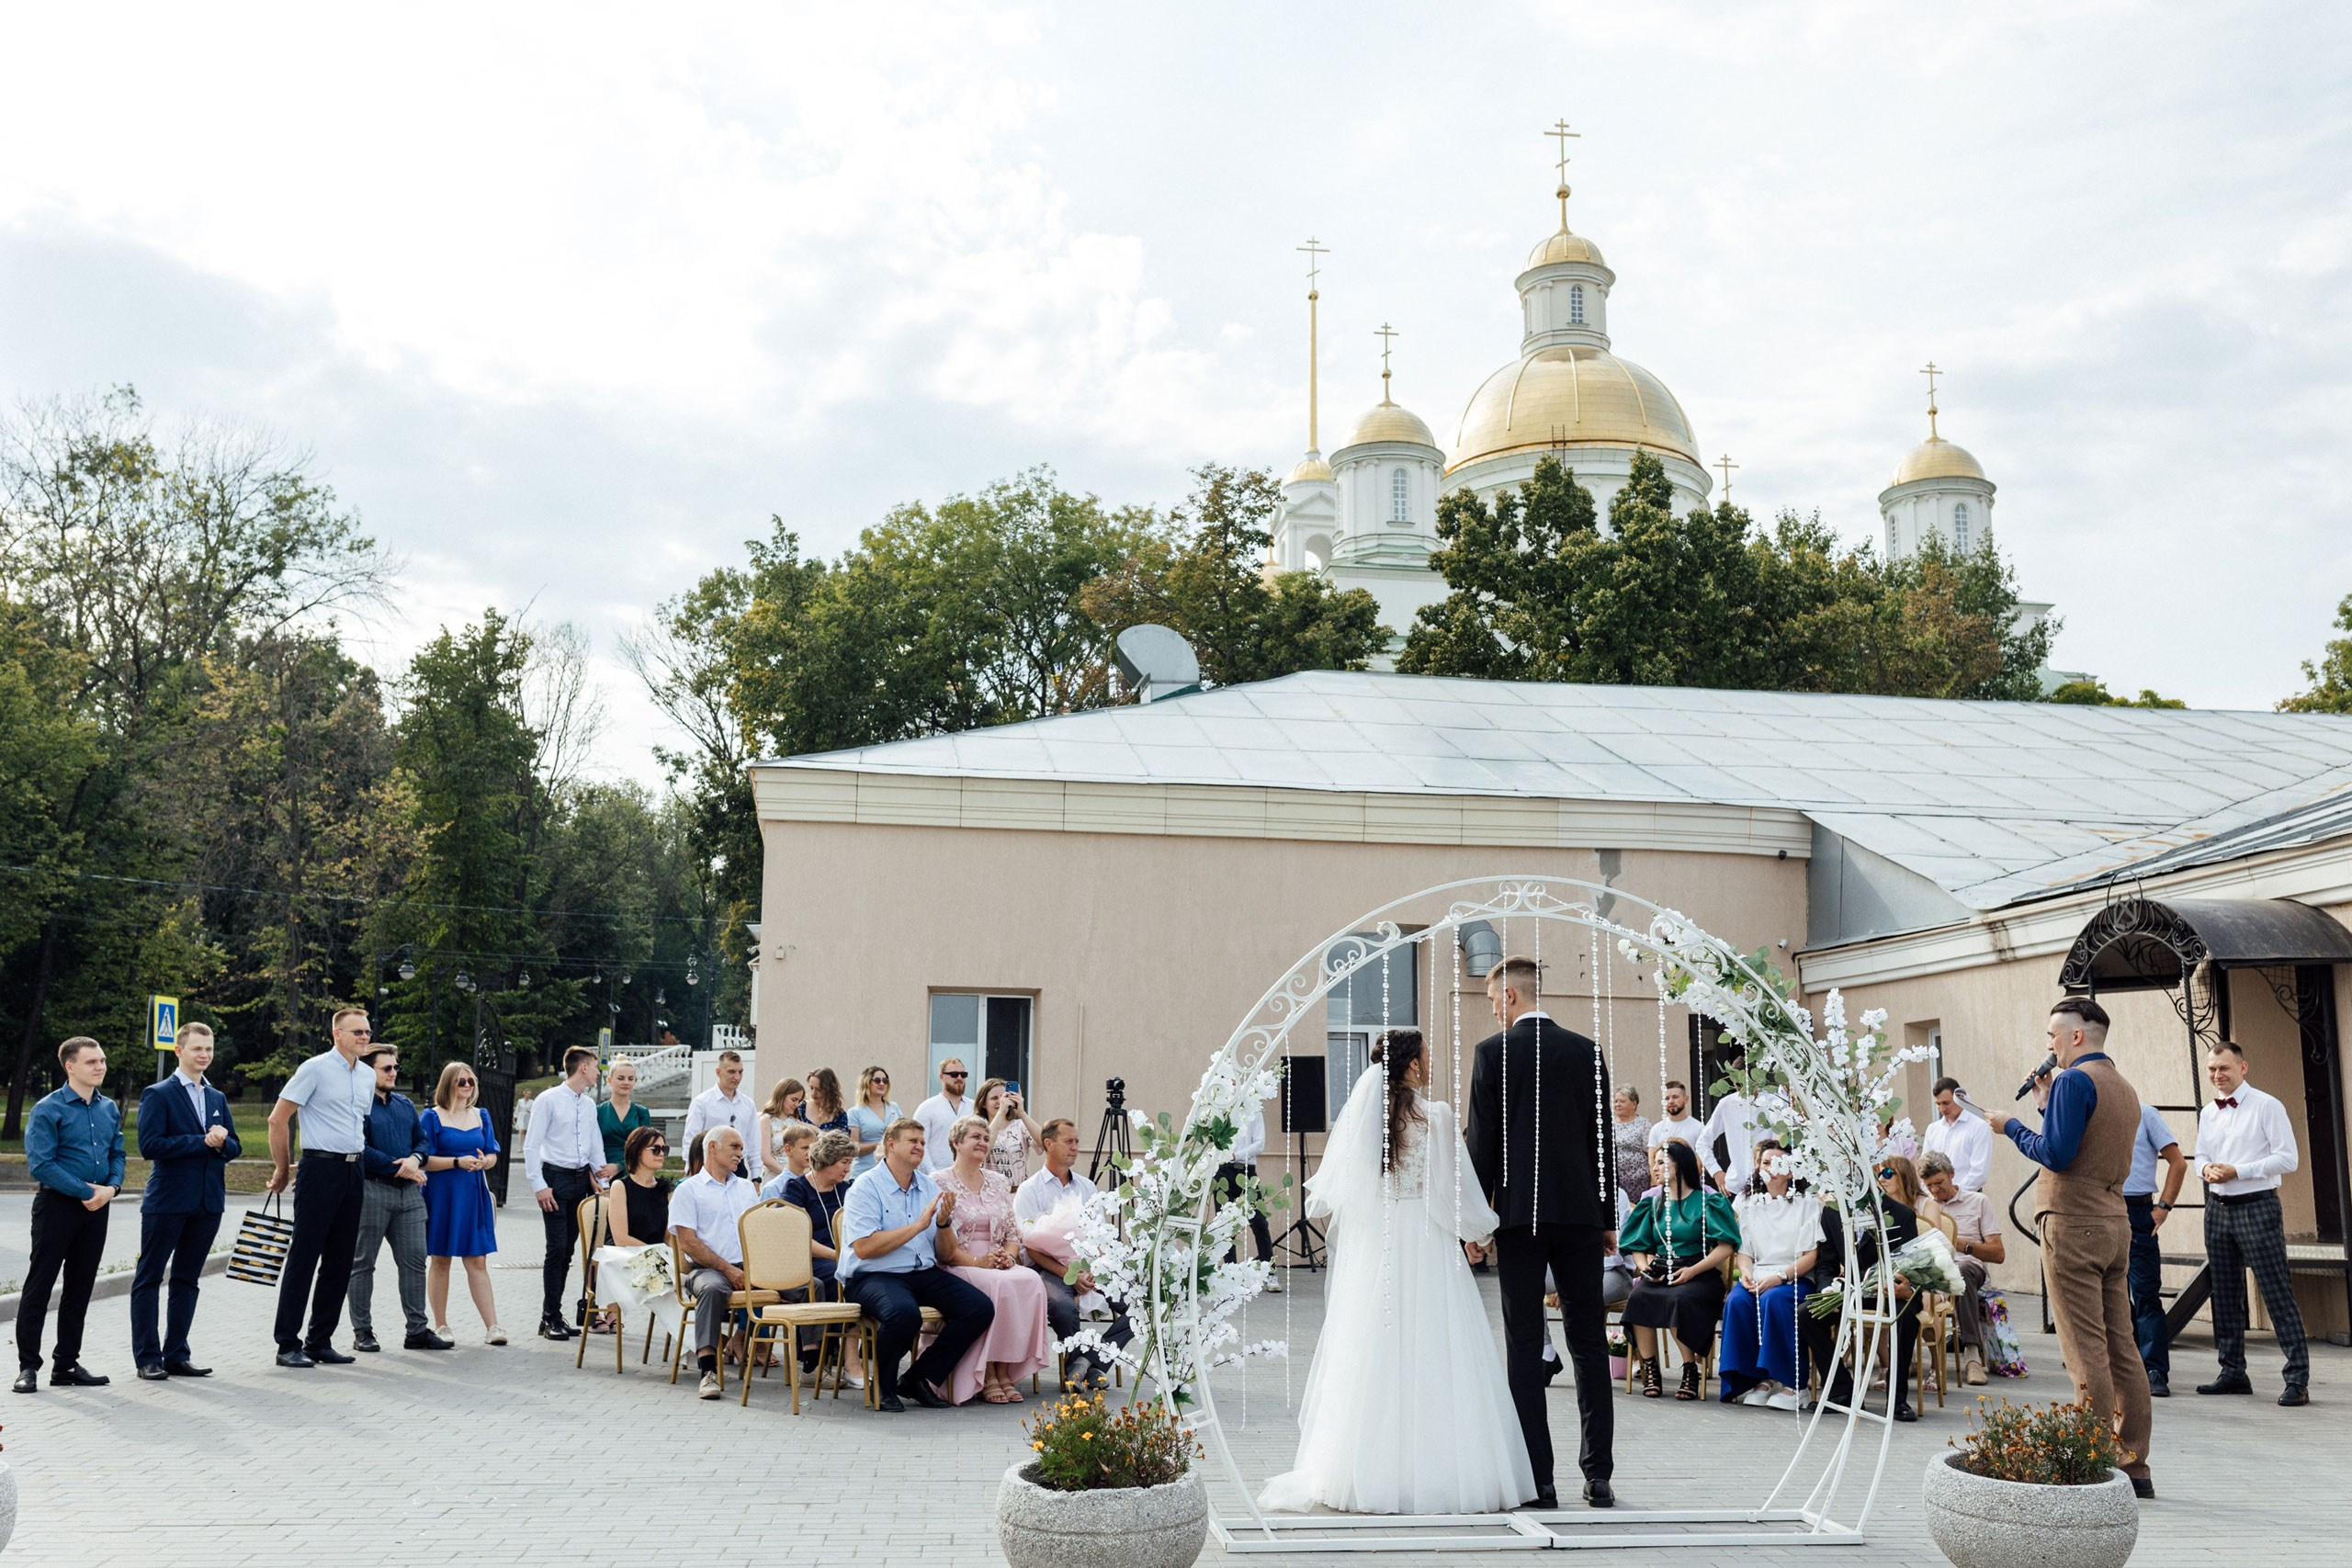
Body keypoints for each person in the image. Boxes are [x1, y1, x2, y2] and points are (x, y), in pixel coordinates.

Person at [1262, 1029, 1535, 1515]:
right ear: (1412, 1065)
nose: (1430, 1061)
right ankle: (1443, 1472)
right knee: (1436, 1345)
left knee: (1374, 1347)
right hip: (1427, 1242)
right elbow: (1454, 1191)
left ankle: (1365, 1469)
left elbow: (1345, 1188)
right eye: (1426, 1054)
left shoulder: (1372, 1120)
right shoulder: (1438, 1117)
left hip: (1380, 1242)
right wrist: (1480, 1232)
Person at [1465, 954, 1616, 1511]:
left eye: (1491, 1003)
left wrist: (1474, 1225)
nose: (1494, 1014)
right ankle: (1598, 1475)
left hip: (1518, 1220)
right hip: (1580, 1217)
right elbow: (1599, 1142)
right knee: (1588, 1342)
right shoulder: (1586, 1051)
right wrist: (1606, 1219)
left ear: (1508, 996)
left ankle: (1540, 1479)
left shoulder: (1491, 1055)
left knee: (1524, 1345)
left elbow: (1482, 1148)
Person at [1991, 997, 2155, 1496]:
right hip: (2113, 1222)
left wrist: (2012, 1126)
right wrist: (2046, 1105)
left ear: (2076, 1036)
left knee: (2084, 1350)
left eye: (2052, 1037)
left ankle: (2087, 1461)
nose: (2049, 1046)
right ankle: (2134, 1463)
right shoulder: (2123, 1087)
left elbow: (2058, 1155)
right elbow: (2086, 1143)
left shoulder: (2072, 1080)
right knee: (2121, 1343)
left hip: (2072, 1223)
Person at [838, 1120, 994, 1413]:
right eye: (913, 1141)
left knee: (979, 1307)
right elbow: (865, 1247)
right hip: (873, 1275)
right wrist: (918, 1225)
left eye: (922, 1142)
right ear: (891, 1145)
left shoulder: (928, 1185)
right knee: (903, 1314)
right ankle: (884, 1386)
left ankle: (917, 1378)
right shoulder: (865, 1186)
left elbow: (943, 1252)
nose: (920, 1147)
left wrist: (944, 1223)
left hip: (921, 1271)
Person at [2193, 1040, 2307, 1405]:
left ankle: (2297, 1379)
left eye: (2223, 1068)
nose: (2217, 1076)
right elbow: (2201, 1154)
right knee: (2225, 1292)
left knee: (2275, 1290)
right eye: (2212, 1069)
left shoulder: (2267, 1106)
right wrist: (2206, 1168)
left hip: (2257, 1207)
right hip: (2218, 1208)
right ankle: (2232, 1372)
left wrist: (2238, 1170)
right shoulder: (2209, 1112)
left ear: (2243, 1068)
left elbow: (2288, 1159)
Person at [266, 1008, 377, 1368]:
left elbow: (358, 1124)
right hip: (320, 1168)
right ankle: (287, 1344)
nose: (364, 1036)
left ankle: (320, 1340)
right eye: (357, 1031)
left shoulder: (368, 1076)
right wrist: (283, 1168)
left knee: (341, 1259)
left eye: (367, 1031)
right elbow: (277, 1118)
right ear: (337, 1034)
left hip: (353, 1170)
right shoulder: (314, 1068)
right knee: (305, 1255)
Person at [130, 1021, 239, 1381]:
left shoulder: (217, 1097)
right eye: (197, 1049)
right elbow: (150, 1146)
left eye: (208, 1049)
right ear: (179, 1051)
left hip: (208, 1202)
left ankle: (176, 1353)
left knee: (187, 1280)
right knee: (148, 1278)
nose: (204, 1055)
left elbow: (234, 1146)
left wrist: (223, 1143)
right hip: (168, 1201)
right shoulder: (158, 1093)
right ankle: (148, 1358)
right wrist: (201, 1141)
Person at [17, 1037, 125, 1393]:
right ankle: (28, 1367)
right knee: (40, 1285)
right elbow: (42, 1164)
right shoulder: (48, 1109)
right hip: (58, 1208)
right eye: (92, 1061)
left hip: (97, 1207)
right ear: (70, 1066)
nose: (100, 1067)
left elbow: (118, 1152)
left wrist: (111, 1189)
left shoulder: (108, 1108)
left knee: (79, 1289)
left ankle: (66, 1365)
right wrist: (86, 1192)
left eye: (102, 1060)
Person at [933, 1115, 1055, 1404]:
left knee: (1030, 1281)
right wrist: (979, 1262)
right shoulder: (939, 1180)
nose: (982, 1142)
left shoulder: (999, 1182)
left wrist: (1009, 1258)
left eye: (986, 1138)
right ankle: (986, 1371)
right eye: (975, 1137)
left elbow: (1013, 1231)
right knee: (996, 1287)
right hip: (958, 1261)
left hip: (998, 1260)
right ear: (956, 1143)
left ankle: (1005, 1370)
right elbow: (938, 1240)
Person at [1014, 1116, 1133, 1385]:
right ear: (1048, 1144)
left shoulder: (1087, 1187)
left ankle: (1087, 1362)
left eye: (1077, 1142)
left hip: (1090, 1265)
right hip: (1049, 1267)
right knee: (1063, 1308)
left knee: (1139, 1306)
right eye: (1069, 1141)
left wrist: (1092, 1268)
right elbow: (1031, 1246)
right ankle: (1085, 1368)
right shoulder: (1030, 1190)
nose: (1075, 1147)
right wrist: (1067, 1272)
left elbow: (1099, 1234)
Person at [1620, 1139, 1740, 1402]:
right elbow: (1637, 1246)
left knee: (1680, 1299)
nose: (1655, 1167)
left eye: (1662, 1162)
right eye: (1655, 1162)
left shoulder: (1708, 1201)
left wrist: (1693, 1271)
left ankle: (1690, 1370)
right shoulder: (1653, 1203)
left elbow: (1726, 1247)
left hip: (1699, 1271)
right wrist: (1644, 1268)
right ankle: (1650, 1369)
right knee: (1640, 1297)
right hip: (1661, 1269)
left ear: (1680, 1165)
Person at [1803, 1161, 1923, 1423]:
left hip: (1892, 1290)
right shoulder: (1833, 1213)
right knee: (1806, 1313)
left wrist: (1904, 1285)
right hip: (1851, 1290)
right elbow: (1826, 1263)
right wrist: (1826, 1289)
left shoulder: (1901, 1215)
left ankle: (1897, 1398)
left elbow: (1911, 1264)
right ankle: (1842, 1390)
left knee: (1906, 1318)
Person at [348, 1048, 445, 1354]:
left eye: (395, 1067)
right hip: (372, 1191)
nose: (393, 1073)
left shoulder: (404, 1104)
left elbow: (422, 1140)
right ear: (368, 1071)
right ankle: (362, 1331)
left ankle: (416, 1331)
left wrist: (415, 1159)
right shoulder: (359, 1105)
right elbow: (358, 1148)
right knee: (363, 1264)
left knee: (416, 1261)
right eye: (386, 1068)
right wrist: (399, 1165)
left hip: (409, 1194)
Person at [1719, 1139, 1821, 1409]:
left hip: (1794, 1276)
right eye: (1766, 1163)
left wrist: (1780, 1278)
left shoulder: (1806, 1204)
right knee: (1738, 1301)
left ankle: (1793, 1383)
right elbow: (1745, 1252)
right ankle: (1757, 1379)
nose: (1771, 1169)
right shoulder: (1751, 1203)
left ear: (1790, 1170)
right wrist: (1747, 1274)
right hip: (1759, 1273)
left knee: (1773, 1300)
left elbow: (1811, 1255)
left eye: (1778, 1164)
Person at [668, 1127, 764, 1399]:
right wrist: (728, 1269)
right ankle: (708, 1370)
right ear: (712, 1148)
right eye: (734, 1147)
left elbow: (758, 1231)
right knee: (712, 1290)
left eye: (741, 1148)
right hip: (707, 1269)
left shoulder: (746, 1188)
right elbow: (688, 1243)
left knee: (809, 1285)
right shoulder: (688, 1190)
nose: (740, 1154)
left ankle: (815, 1367)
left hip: (749, 1266)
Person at [420, 1062, 504, 1343]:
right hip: (442, 1194)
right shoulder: (432, 1117)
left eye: (470, 1081)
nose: (467, 1086)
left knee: (477, 1260)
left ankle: (493, 1326)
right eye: (461, 1081)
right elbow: (424, 1160)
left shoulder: (481, 1115)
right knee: (441, 1259)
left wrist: (484, 1162)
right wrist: (456, 1161)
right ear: (448, 1084)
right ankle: (441, 1324)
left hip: (472, 1193)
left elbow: (493, 1153)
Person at [525, 1046, 605, 1340]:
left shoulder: (589, 1106)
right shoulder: (548, 1100)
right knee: (556, 1249)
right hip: (554, 1179)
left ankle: (555, 1316)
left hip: (581, 1181)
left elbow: (594, 1144)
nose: (598, 1073)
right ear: (582, 1068)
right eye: (596, 1067)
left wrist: (600, 1180)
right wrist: (538, 1185)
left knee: (569, 1250)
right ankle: (549, 1317)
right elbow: (532, 1145)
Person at [775, 1129, 865, 1386]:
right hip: (809, 1259)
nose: (848, 1169)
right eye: (844, 1162)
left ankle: (847, 1354)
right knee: (839, 1277)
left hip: (844, 1257)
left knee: (866, 1278)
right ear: (826, 1160)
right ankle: (826, 1360)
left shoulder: (848, 1190)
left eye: (850, 1163)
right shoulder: (796, 1188)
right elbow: (794, 1236)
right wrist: (837, 1255)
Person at [1918, 1150, 2005, 1384]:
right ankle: (1907, 1357)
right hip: (1932, 1270)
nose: (1935, 1190)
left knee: (1962, 1270)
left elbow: (1998, 1253)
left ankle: (1972, 1355)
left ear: (1952, 1174)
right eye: (1929, 1186)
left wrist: (1960, 1244)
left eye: (1939, 1183)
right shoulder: (1923, 1207)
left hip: (1968, 1266)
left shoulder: (1978, 1202)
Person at [2124, 1100, 2188, 1396]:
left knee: (2146, 1293)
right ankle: (2120, 1360)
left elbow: (2178, 1162)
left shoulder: (2144, 1113)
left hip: (2138, 1209)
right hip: (2099, 1207)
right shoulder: (2088, 1111)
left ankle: (2154, 1370)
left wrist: (2164, 1207)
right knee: (2103, 1292)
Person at [1216, 1097, 1279, 1289]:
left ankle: (1270, 1273)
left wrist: (1237, 1155)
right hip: (1223, 1171)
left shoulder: (1254, 1110)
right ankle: (1231, 1275)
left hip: (1246, 1171)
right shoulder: (1219, 1110)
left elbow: (1259, 1144)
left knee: (1259, 1221)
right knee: (1226, 1224)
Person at [683, 1050, 759, 1177]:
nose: (737, 1077)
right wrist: (691, 1171)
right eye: (731, 1072)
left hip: (738, 1167)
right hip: (709, 1167)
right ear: (718, 1072)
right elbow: (690, 1140)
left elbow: (753, 1143)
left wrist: (756, 1177)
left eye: (740, 1072)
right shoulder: (702, 1102)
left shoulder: (748, 1105)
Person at [1921, 1077, 1993, 1193]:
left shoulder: (1979, 1126)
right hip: (1936, 1200)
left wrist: (1954, 1193)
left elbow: (1980, 1172)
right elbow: (1924, 1168)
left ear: (1959, 1098)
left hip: (1967, 1199)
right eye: (1938, 1104)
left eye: (1946, 1103)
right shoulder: (1932, 1129)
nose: (1942, 1109)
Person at [1645, 1080, 1722, 1185]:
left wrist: (1687, 1185)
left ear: (1686, 1099)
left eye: (1675, 1097)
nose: (1671, 1101)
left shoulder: (1698, 1128)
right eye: (1666, 1098)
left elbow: (1700, 1161)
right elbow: (1652, 1161)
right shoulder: (1656, 1129)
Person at [978, 1077, 1043, 1186]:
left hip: (1017, 1193)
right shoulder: (979, 1127)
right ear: (983, 1103)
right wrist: (1001, 1112)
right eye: (994, 1098)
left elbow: (1044, 1143)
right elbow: (984, 1149)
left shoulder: (1021, 1126)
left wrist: (1021, 1112)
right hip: (990, 1193)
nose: (1001, 1101)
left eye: (1005, 1096)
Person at [912, 1058, 973, 1172]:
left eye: (963, 1075)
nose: (959, 1078)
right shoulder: (926, 1108)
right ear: (942, 1077)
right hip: (936, 1175)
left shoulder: (974, 1107)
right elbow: (919, 1144)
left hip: (968, 1175)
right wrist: (932, 1175)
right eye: (954, 1074)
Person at [597, 1058, 650, 1181]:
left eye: (630, 1079)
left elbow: (646, 1149)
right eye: (621, 1078)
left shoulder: (641, 1112)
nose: (626, 1082)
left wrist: (620, 1166)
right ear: (609, 1080)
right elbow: (588, 1147)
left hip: (633, 1172)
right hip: (602, 1174)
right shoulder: (597, 1111)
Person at [847, 1066, 900, 1178]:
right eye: (877, 1080)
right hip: (864, 1171)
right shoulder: (855, 1112)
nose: (882, 1083)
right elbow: (853, 1148)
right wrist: (881, 1144)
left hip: (891, 1171)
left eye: (885, 1081)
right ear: (866, 1083)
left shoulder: (894, 1107)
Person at [1611, 1086, 1652, 1208]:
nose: (1617, 1104)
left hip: (1639, 1182)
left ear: (1634, 1104)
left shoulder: (1644, 1124)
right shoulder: (1608, 1124)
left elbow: (1651, 1152)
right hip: (1615, 1181)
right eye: (1616, 1101)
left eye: (1622, 1101)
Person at [757, 1077, 808, 1176]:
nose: (796, 1105)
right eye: (794, 1100)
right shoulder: (766, 1120)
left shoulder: (796, 1123)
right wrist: (787, 1174)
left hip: (797, 1175)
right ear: (781, 1096)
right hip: (774, 1175)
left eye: (799, 1101)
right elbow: (765, 1157)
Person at [759, 1122, 819, 1195]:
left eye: (812, 1148)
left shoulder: (816, 1184)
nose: (810, 1152)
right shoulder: (774, 1188)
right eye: (805, 1148)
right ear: (788, 1150)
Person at [805, 1067, 851, 1134]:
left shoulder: (839, 1115)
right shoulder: (801, 1108)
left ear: (829, 1089)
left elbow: (842, 1141)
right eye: (811, 1088)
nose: (813, 1093)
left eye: (818, 1089)